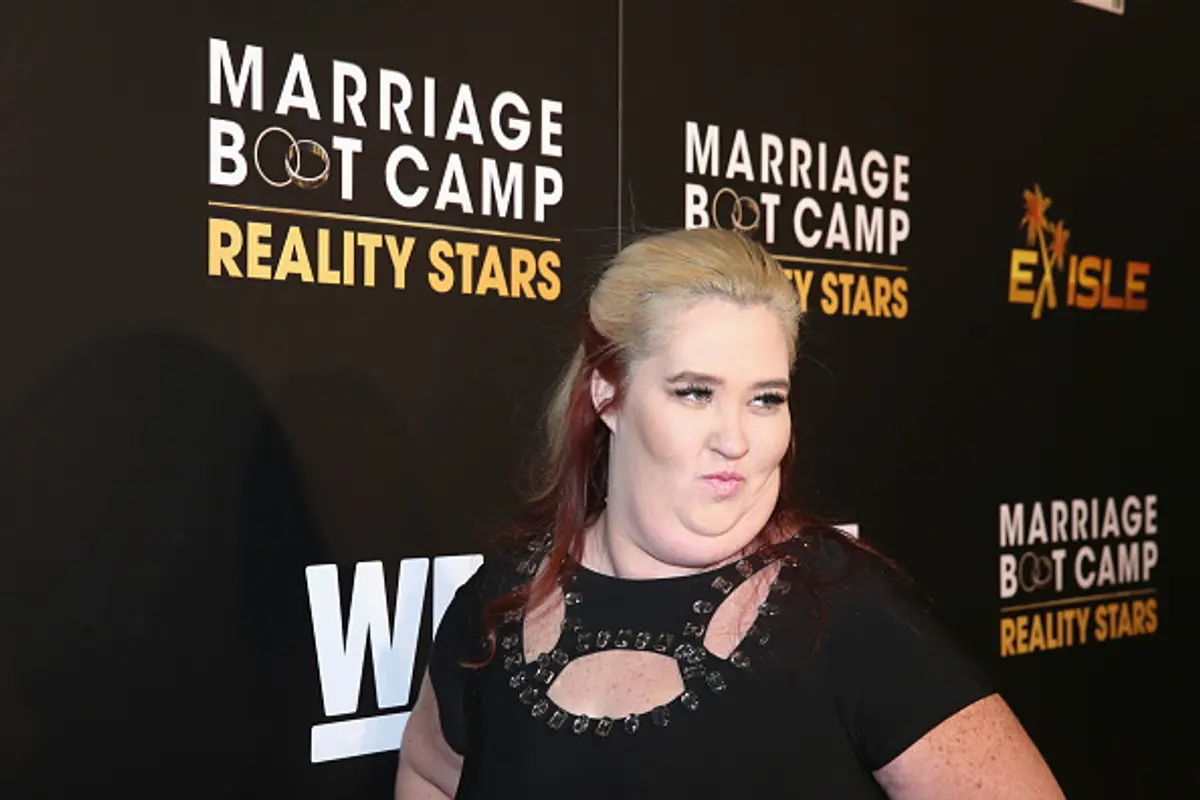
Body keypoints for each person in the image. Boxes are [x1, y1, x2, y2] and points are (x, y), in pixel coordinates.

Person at [394, 227, 1065, 798]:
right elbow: (429, 774)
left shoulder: (844, 611)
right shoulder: (502, 601)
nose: (736, 439)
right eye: (695, 393)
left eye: (766, 399)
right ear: (609, 395)